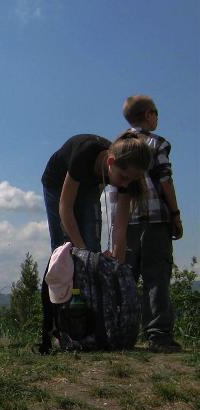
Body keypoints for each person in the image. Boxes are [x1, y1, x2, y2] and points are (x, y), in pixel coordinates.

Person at [39, 131, 152, 353]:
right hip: (56, 184)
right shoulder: (84, 155)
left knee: (92, 251)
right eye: (123, 177)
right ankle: (61, 329)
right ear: (110, 163)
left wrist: (115, 263)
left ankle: (93, 327)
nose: (125, 183)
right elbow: (65, 209)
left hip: (90, 186)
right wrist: (82, 252)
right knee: (64, 254)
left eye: (131, 180)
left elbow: (120, 227)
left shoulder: (126, 174)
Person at [113, 96, 183, 353]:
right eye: (156, 113)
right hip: (155, 219)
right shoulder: (158, 143)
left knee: (126, 276)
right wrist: (175, 213)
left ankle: (123, 331)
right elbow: (165, 180)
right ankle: (159, 335)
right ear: (149, 115)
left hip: (126, 220)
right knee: (157, 276)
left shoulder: (118, 144)